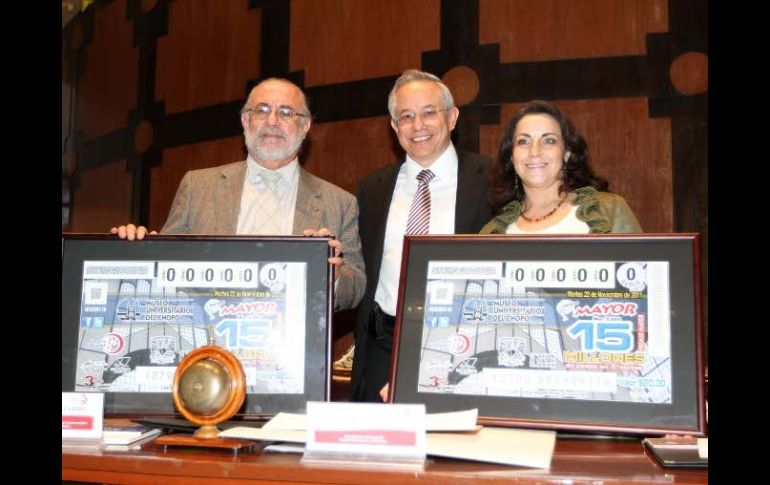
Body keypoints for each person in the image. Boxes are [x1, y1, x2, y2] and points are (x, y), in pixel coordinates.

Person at [111, 78, 365, 311]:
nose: (272, 121)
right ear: (245, 120)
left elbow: (356, 288)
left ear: (305, 126)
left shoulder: (340, 203)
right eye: (262, 110)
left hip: (293, 346)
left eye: (286, 112)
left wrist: (334, 276)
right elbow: (165, 268)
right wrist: (137, 250)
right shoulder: (197, 186)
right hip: (207, 339)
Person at [350, 69, 495, 402]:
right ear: (393, 126)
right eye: (406, 116)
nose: (418, 126)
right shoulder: (372, 188)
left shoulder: (492, 180)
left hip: (462, 343)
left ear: (452, 117)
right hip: (383, 345)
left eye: (429, 112)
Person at [480, 100, 641, 234]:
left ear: (567, 153)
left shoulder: (610, 211)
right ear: (511, 156)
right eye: (523, 141)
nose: (534, 152)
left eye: (549, 140)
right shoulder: (492, 232)